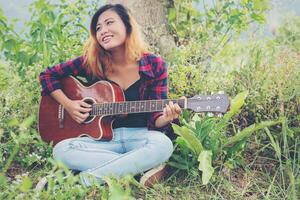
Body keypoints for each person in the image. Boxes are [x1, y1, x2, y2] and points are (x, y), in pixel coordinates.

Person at [38, 3, 181, 188]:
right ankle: (136, 168)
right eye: (98, 28)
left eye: (109, 23)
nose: (103, 30)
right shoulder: (92, 62)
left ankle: (80, 181)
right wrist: (69, 105)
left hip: (140, 138)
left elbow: (155, 119)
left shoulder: (154, 65)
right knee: (61, 150)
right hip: (102, 141)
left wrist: (167, 117)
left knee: (163, 145)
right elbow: (47, 75)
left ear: (127, 25)